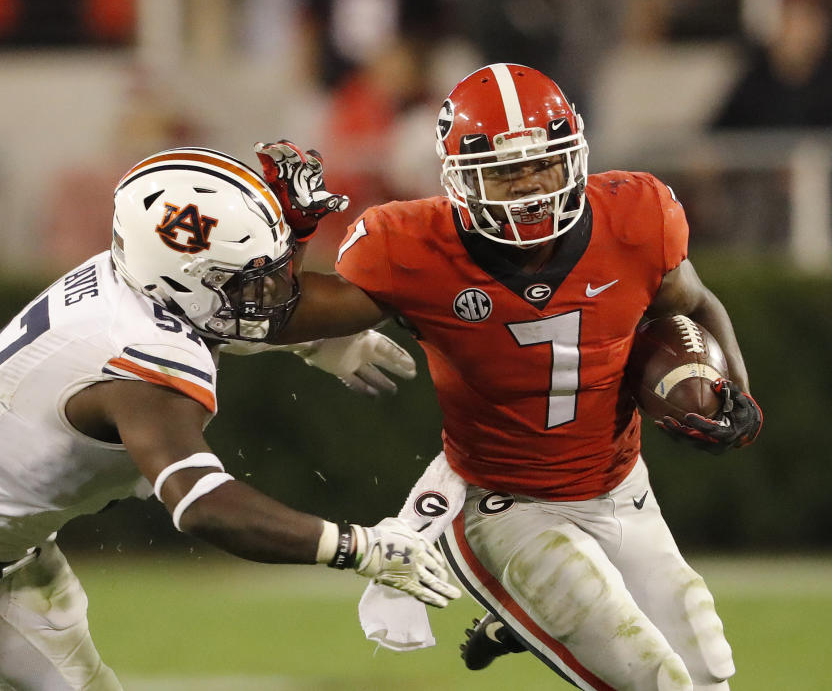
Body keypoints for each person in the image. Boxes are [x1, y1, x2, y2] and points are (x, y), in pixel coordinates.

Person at [0, 146, 460, 690]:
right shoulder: (139, 367)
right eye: (250, 281)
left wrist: (299, 312)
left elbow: (217, 313)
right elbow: (204, 506)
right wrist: (357, 547)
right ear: (184, 279)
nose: (278, 292)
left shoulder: (140, 283)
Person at [256, 64, 763, 690]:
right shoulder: (412, 244)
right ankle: (530, 601)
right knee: (655, 680)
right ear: (458, 182)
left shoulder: (634, 217)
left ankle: (529, 618)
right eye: (503, 172)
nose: (528, 189)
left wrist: (734, 393)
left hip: (620, 486)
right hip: (504, 503)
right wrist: (293, 235)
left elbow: (693, 303)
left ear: (574, 157)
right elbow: (276, 313)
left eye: (542, 165)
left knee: (708, 670)